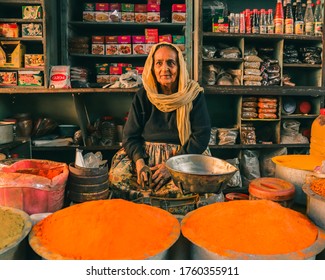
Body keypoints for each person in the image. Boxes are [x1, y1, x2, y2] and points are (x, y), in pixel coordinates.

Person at [109, 42, 211, 201]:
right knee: (117, 179)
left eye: (171, 63)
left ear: (179, 67)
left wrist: (171, 167)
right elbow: (130, 137)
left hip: (185, 156)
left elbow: (201, 136)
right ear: (152, 68)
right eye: (159, 63)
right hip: (146, 156)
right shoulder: (143, 96)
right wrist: (140, 163)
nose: (165, 69)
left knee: (192, 187)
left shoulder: (193, 94)